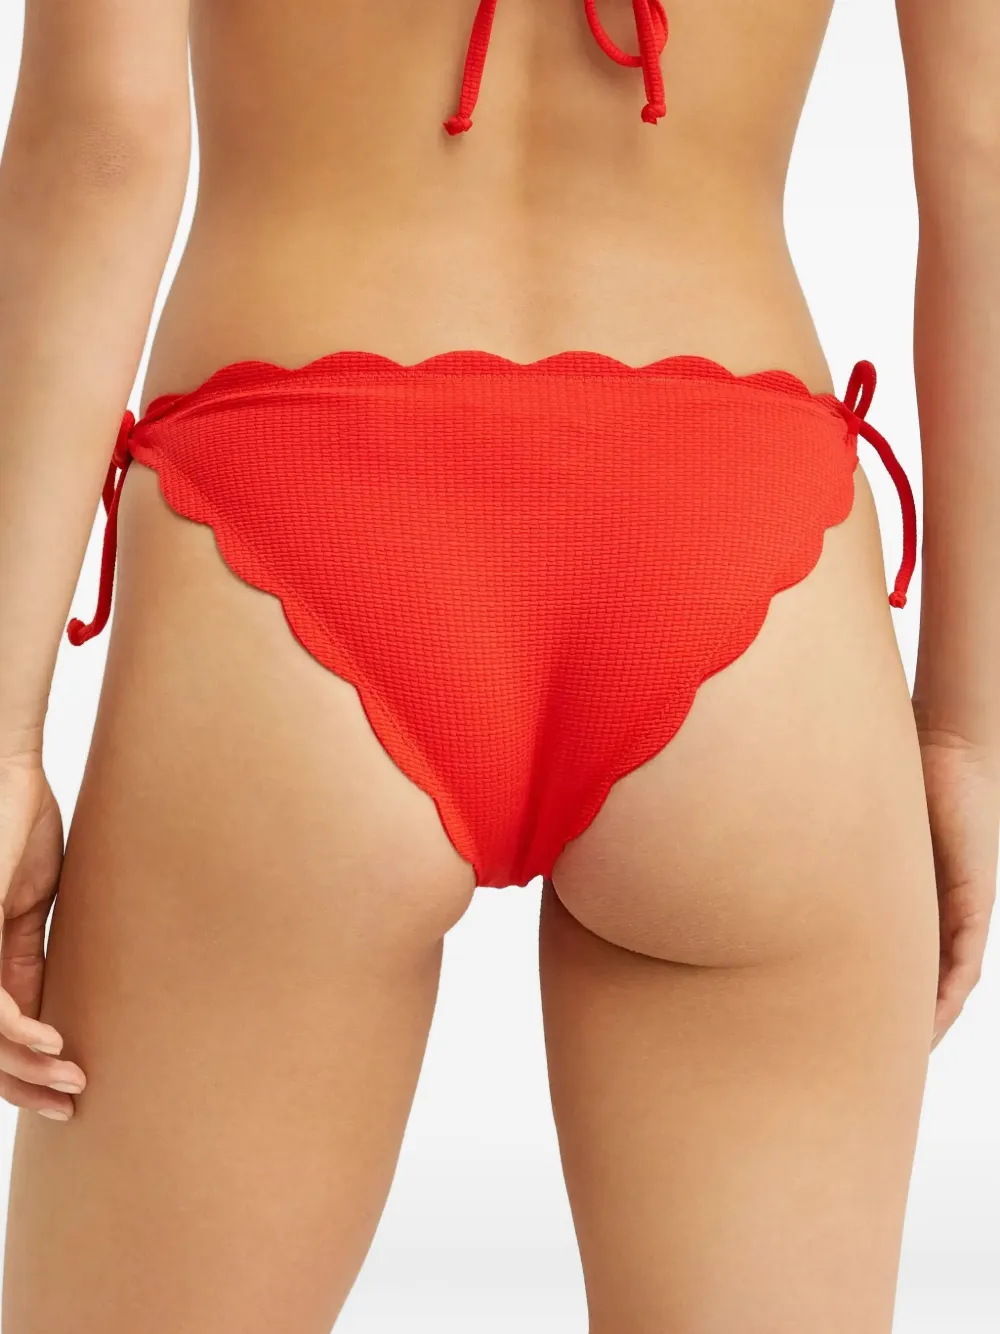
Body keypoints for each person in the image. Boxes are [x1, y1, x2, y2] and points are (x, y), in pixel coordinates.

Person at [0, 1, 996, 1329]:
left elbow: (100, 143)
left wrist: (3, 734)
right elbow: (986, 161)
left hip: (296, 516)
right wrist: (968, 725)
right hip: (744, 547)